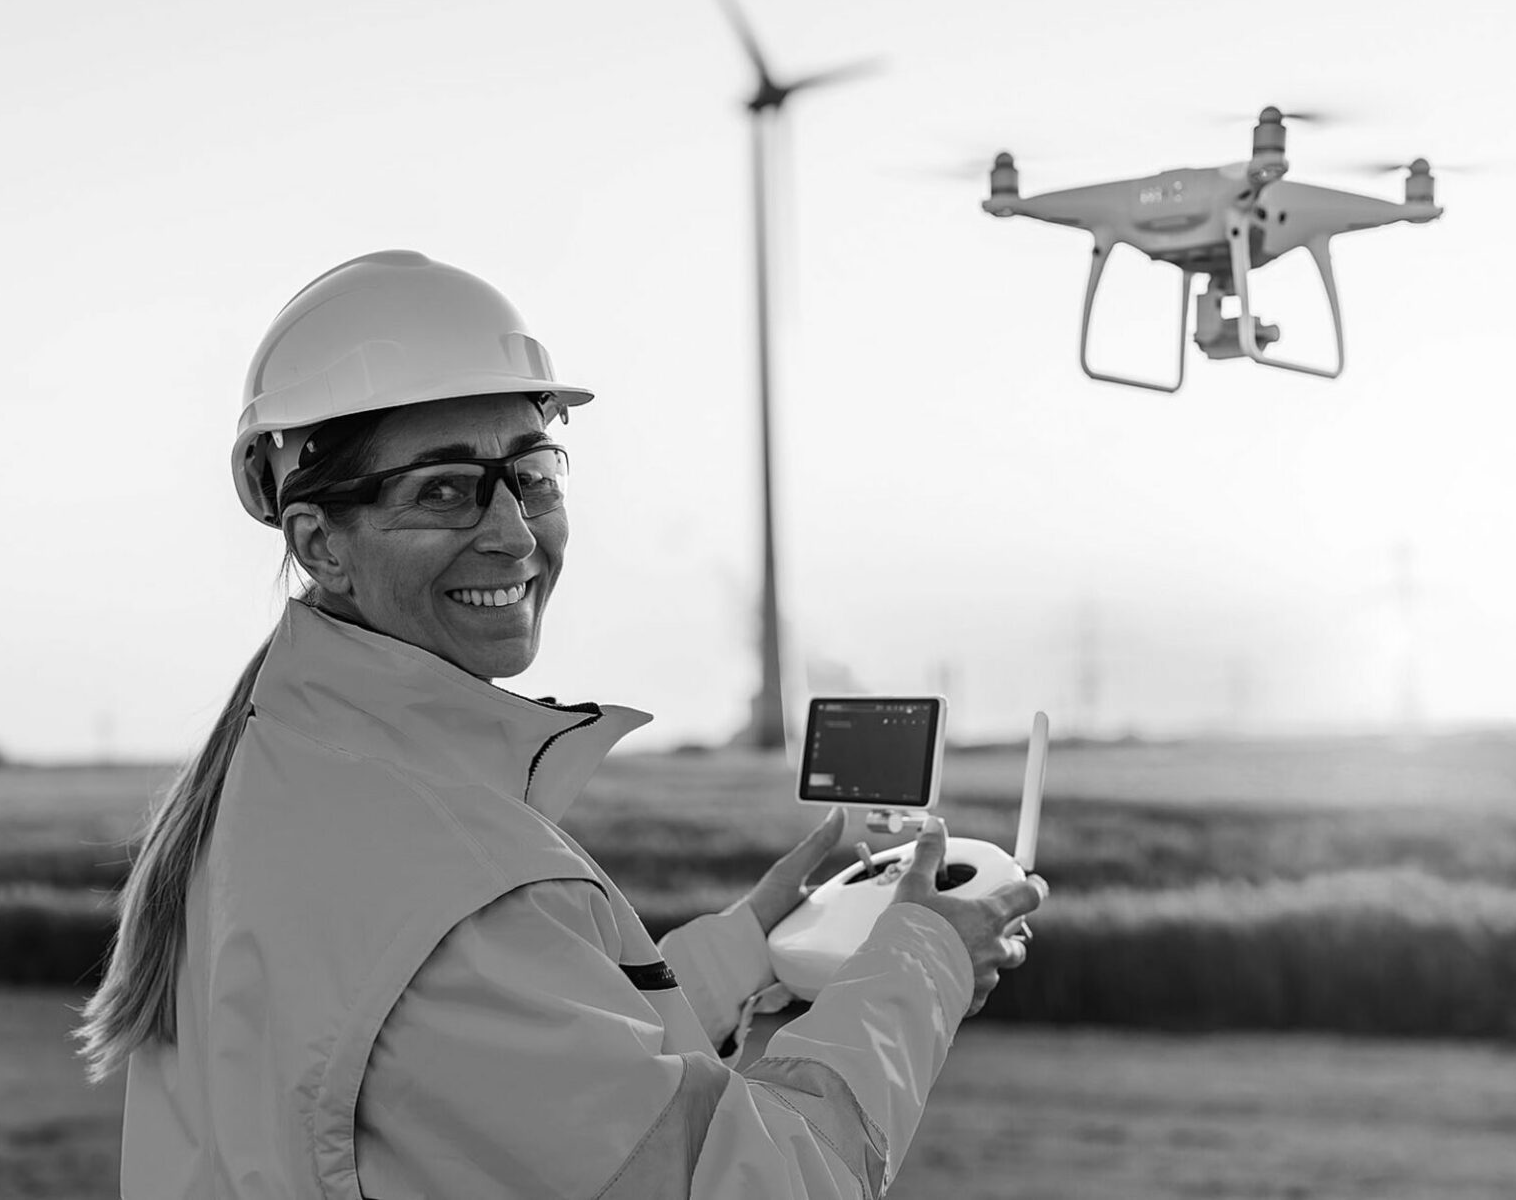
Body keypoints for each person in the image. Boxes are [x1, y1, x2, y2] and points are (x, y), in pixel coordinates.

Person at [74, 249, 1047, 1199]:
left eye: (531, 473)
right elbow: (772, 1178)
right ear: (319, 541)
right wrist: (919, 960)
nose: (510, 530)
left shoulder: (285, 768)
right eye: (443, 488)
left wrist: (748, 947)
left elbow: (519, 1068)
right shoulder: (444, 878)